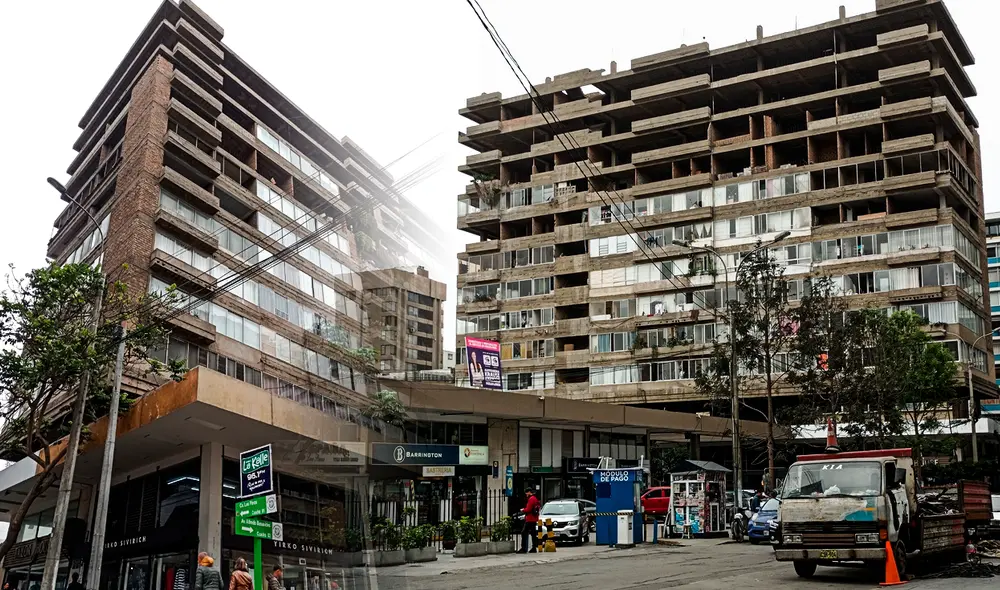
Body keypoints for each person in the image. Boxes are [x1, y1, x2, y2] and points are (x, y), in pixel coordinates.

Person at [517, 489, 540, 554]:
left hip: (530, 519)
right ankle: (534, 548)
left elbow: (528, 509)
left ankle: (524, 548)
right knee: (533, 533)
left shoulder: (531, 499)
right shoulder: (535, 498)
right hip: (534, 518)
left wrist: (523, 510)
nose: (526, 494)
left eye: (527, 493)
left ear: (530, 492)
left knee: (524, 532)